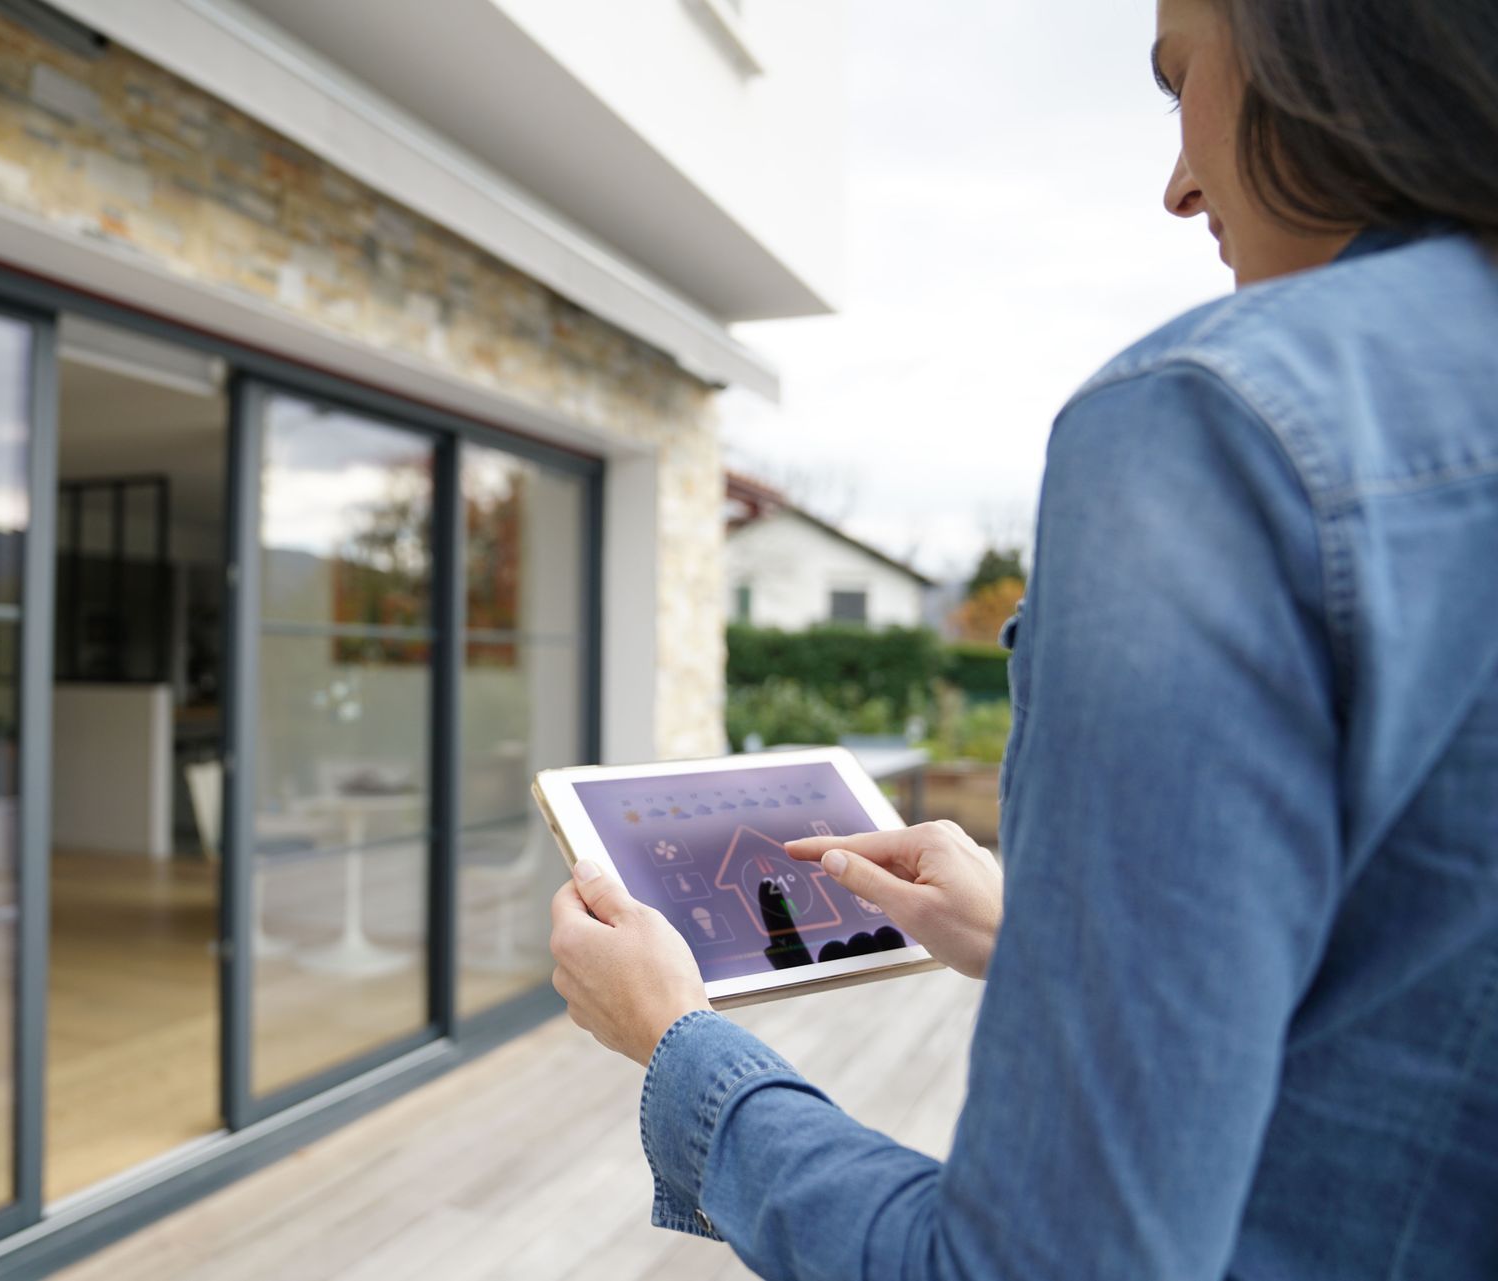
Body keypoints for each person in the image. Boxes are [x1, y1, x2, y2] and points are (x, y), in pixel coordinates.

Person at [547, 0, 1498, 1276]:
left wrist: (683, 1050)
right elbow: (1416, 968)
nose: (1178, 182)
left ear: (1324, 42)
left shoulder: (1223, 426)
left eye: (1178, 81)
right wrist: (1035, 935)